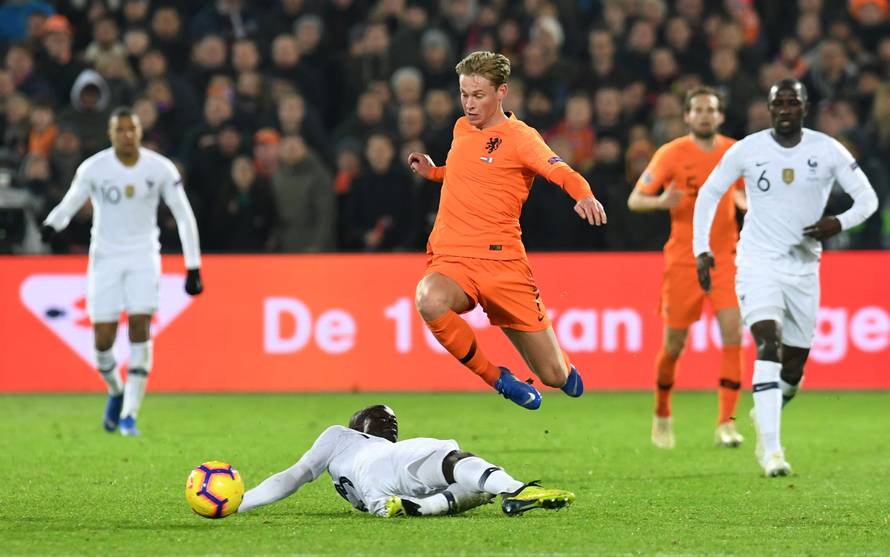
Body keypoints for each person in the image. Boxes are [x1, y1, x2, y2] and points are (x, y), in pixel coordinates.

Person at [693, 79, 878, 476]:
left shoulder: (827, 150)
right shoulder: (749, 149)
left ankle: (769, 409)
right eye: (779, 102)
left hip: (804, 268)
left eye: (793, 102)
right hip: (758, 262)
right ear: (769, 107)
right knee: (767, 345)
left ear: (805, 108)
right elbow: (709, 193)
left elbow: (869, 200)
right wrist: (701, 249)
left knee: (792, 370)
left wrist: (838, 222)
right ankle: (772, 452)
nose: (785, 109)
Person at [407, 51, 607, 410]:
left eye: (478, 95)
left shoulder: (520, 138)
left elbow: (561, 171)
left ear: (502, 92)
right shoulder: (460, 128)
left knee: (553, 376)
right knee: (428, 298)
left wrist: (585, 195)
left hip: (504, 265)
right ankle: (498, 378)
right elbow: (465, 171)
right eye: (464, 94)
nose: (469, 104)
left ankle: (563, 368)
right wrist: (435, 172)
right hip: (454, 258)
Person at [42, 106, 203, 437]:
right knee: (103, 338)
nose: (127, 135)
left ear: (140, 133)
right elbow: (71, 203)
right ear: (110, 134)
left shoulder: (159, 168)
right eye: (121, 130)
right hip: (105, 258)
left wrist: (193, 266)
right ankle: (115, 389)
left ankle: (130, 414)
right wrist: (51, 225)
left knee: (140, 327)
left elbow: (184, 215)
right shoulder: (94, 168)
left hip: (144, 257)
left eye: (132, 129)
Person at [627, 87, 747, 450]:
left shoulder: (735, 152)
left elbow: (744, 193)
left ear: (721, 116)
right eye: (698, 109)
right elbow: (635, 200)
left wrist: (748, 204)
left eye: (711, 109)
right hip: (683, 261)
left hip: (726, 257)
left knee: (733, 334)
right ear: (687, 117)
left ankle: (726, 423)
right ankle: (662, 413)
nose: (705, 115)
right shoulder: (672, 153)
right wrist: (662, 201)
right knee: (674, 344)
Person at [237, 404, 575, 517]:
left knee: (472, 488)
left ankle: (419, 507)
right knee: (454, 462)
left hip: (376, 498)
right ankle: (515, 488)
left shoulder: (339, 441)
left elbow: (292, 477)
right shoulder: (350, 437)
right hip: (393, 468)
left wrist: (240, 502)